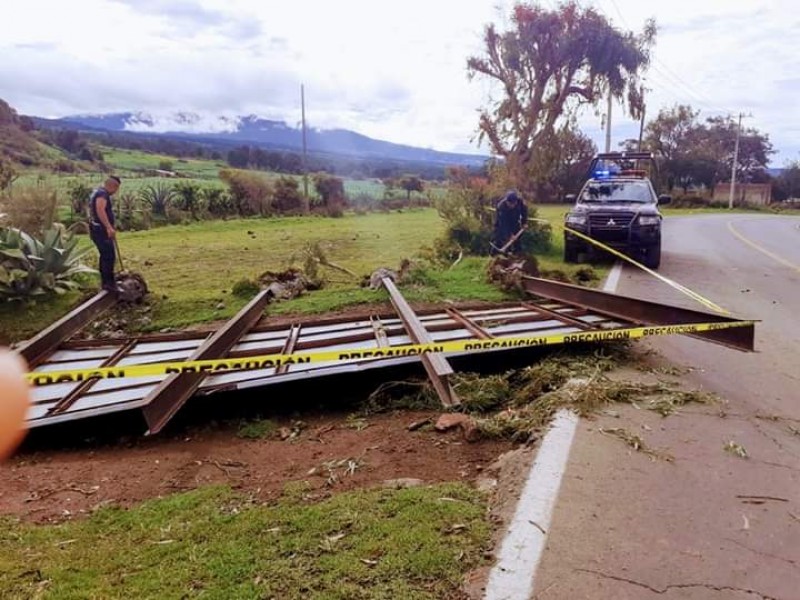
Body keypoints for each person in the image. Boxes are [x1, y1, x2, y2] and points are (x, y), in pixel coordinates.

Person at [89, 176, 121, 293]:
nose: (116, 192)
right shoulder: (103, 194)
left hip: (97, 228)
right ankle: (109, 284)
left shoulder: (97, 192)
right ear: (113, 186)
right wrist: (108, 227)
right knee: (109, 256)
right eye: (116, 189)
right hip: (101, 230)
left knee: (105, 256)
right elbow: (100, 210)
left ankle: (106, 282)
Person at [492, 190, 528, 254]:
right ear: (507, 201)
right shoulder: (501, 207)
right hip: (501, 227)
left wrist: (524, 222)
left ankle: (517, 255)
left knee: (517, 242)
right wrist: (509, 235)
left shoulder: (520, 202)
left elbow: (524, 211)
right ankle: (495, 255)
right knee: (501, 241)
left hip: (514, 223)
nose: (512, 206)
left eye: (514, 204)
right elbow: (503, 224)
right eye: (510, 204)